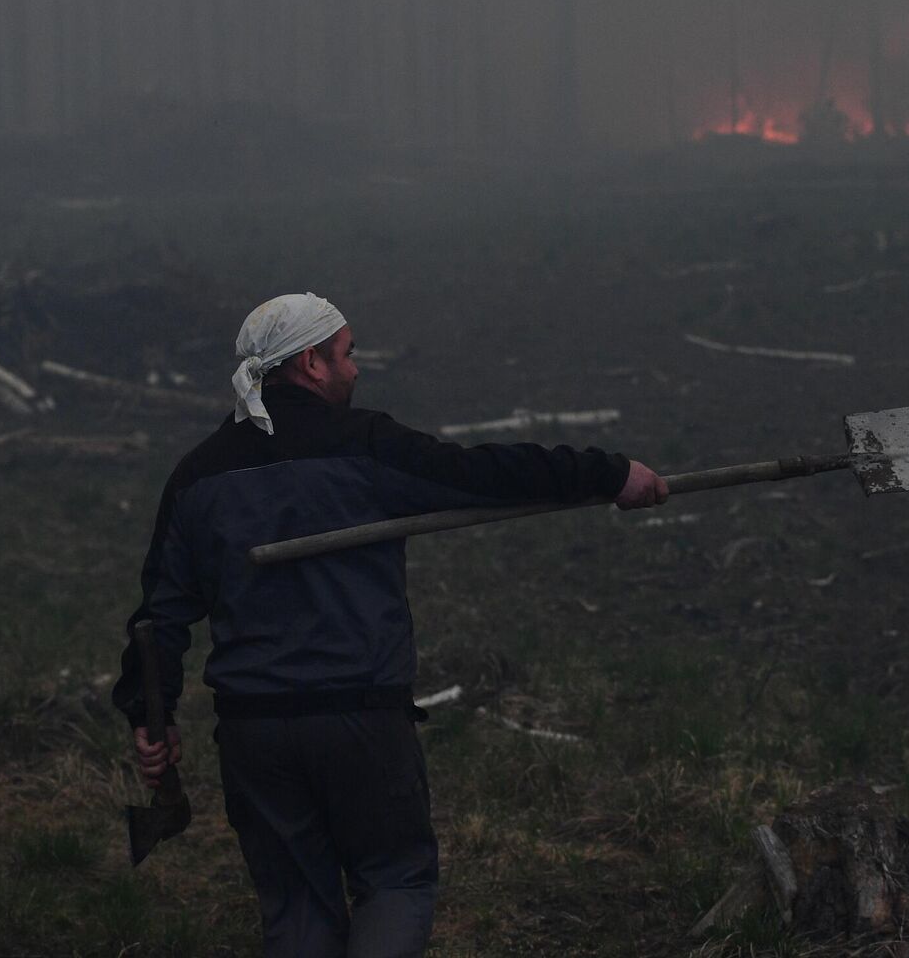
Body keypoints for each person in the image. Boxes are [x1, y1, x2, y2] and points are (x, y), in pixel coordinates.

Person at [113, 293, 668, 958]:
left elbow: (158, 617)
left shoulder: (198, 475)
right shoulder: (366, 448)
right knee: (396, 884)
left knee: (295, 909)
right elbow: (485, 474)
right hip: (361, 720)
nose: (356, 369)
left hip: (254, 733)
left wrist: (151, 717)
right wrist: (610, 473)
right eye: (347, 354)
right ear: (312, 364)